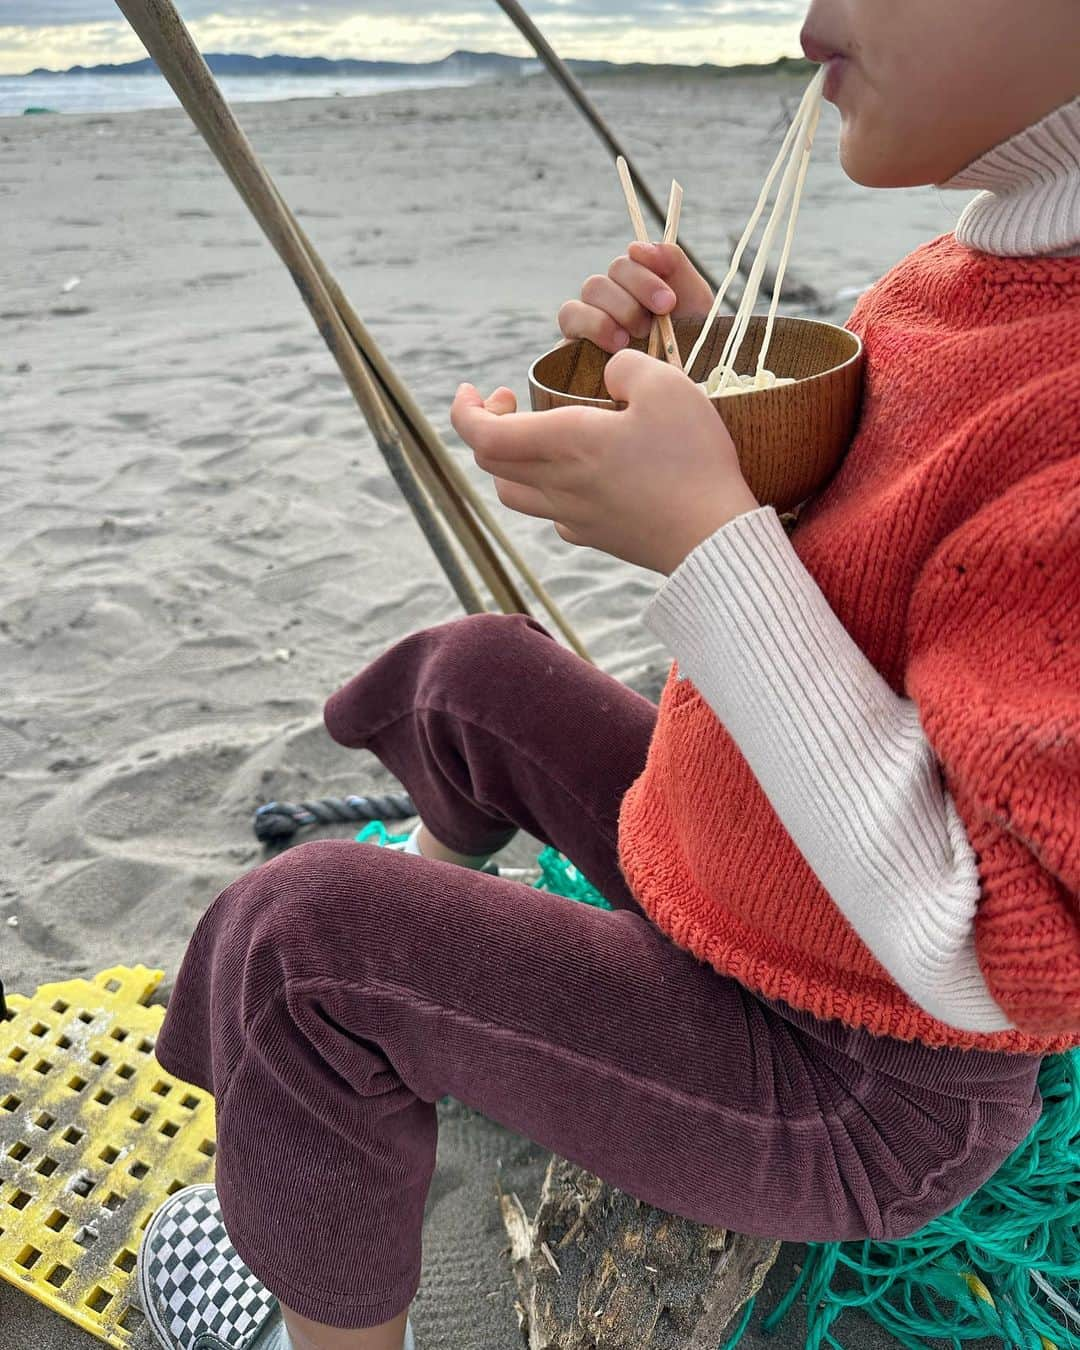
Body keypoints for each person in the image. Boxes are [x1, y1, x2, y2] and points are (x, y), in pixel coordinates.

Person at [137, 2, 1080, 1347]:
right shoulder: (981, 266)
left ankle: (318, 1319)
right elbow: (881, 549)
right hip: (754, 887)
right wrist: (719, 391)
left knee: (304, 945)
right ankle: (409, 1002)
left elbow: (1004, 950)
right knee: (472, 673)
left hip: (856, 1076)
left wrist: (706, 540)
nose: (812, 16)